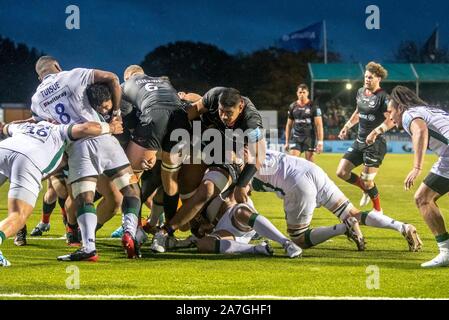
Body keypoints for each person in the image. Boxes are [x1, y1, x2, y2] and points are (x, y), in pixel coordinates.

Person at [31, 56, 142, 261]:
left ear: (40, 77)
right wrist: (115, 113)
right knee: (131, 188)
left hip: (77, 148)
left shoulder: (36, 100)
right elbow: (112, 79)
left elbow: (42, 127)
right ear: (57, 66)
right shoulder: (73, 75)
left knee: (84, 198)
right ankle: (129, 232)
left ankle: (89, 247)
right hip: (105, 138)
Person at [151, 87, 266, 253]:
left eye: (229, 112)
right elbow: (192, 111)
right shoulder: (214, 96)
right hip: (206, 146)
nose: (224, 116)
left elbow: (258, 156)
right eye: (221, 111)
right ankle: (197, 226)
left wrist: (242, 184)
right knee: (186, 181)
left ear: (240, 107)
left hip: (229, 156)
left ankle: (165, 231)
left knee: (207, 190)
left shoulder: (251, 120)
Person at [0, 119, 123, 266]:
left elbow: (3, 128)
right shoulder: (60, 129)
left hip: (4, 149)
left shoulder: (22, 126)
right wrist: (111, 127)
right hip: (27, 161)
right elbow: (86, 128)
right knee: (18, 215)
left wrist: (29, 121)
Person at [251, 149, 422, 252]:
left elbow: (241, 197)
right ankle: (402, 227)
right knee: (353, 213)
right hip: (312, 170)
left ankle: (344, 228)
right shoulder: (258, 148)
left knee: (298, 239)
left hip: (298, 184)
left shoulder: (241, 164)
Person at [388, 85, 449, 267]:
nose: (390, 117)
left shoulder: (409, 114)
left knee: (423, 198)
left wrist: (417, 167)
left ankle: (446, 252)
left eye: (390, 111)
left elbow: (421, 130)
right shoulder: (428, 109)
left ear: (399, 107)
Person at [336, 62, 395, 211]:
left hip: (375, 144)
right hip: (359, 141)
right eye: (365, 77)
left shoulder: (383, 97)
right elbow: (358, 112)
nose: (367, 80)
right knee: (341, 172)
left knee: (368, 181)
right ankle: (364, 189)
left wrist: (376, 131)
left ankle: (378, 210)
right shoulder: (361, 91)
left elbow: (392, 120)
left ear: (378, 78)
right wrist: (346, 126)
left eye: (370, 77)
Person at [284, 84, 324, 162]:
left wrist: (320, 142)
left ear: (307, 93)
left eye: (304, 92)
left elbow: (319, 125)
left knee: (310, 165)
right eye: (300, 92)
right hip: (296, 138)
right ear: (297, 93)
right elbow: (289, 125)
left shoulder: (313, 106)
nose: (302, 94)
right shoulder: (292, 106)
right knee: (292, 163)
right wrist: (287, 142)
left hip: (309, 138)